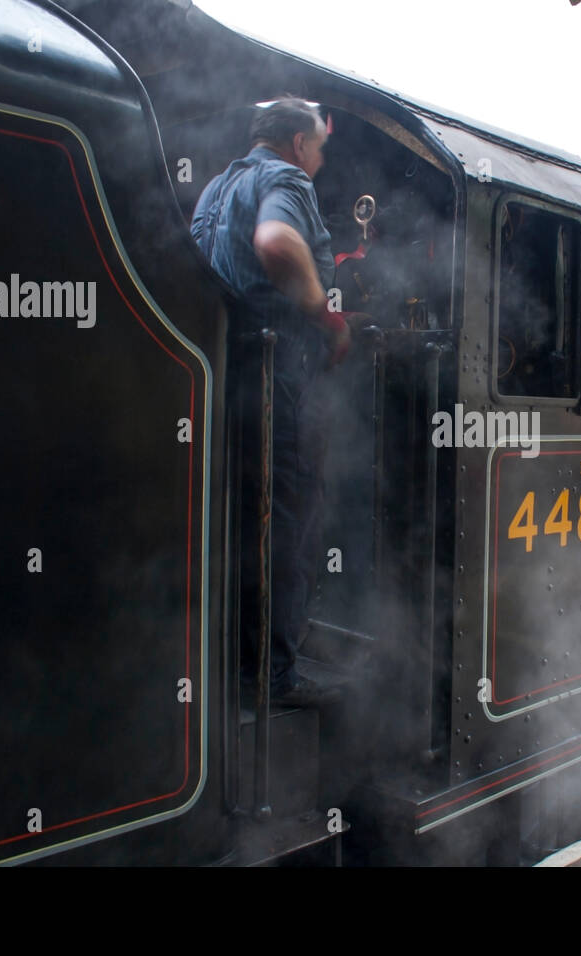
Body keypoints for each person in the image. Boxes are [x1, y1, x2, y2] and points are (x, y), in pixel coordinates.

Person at [192, 98, 348, 708]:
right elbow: (277, 243)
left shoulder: (213, 189)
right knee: (289, 519)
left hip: (220, 375)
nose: (322, 157)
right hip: (277, 377)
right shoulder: (284, 178)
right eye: (320, 145)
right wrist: (328, 319)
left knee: (233, 521)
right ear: (296, 143)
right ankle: (274, 676)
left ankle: (229, 662)